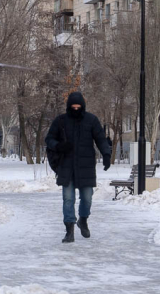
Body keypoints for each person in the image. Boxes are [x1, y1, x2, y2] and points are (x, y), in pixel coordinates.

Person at [45, 92, 111, 244]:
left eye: (78, 107)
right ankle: (69, 230)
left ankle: (83, 219)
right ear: (69, 107)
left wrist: (106, 154)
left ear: (83, 106)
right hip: (66, 166)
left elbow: (100, 138)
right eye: (73, 107)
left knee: (87, 198)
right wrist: (59, 146)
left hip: (86, 167)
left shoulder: (91, 120)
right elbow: (49, 139)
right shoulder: (61, 121)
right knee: (68, 199)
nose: (76, 109)